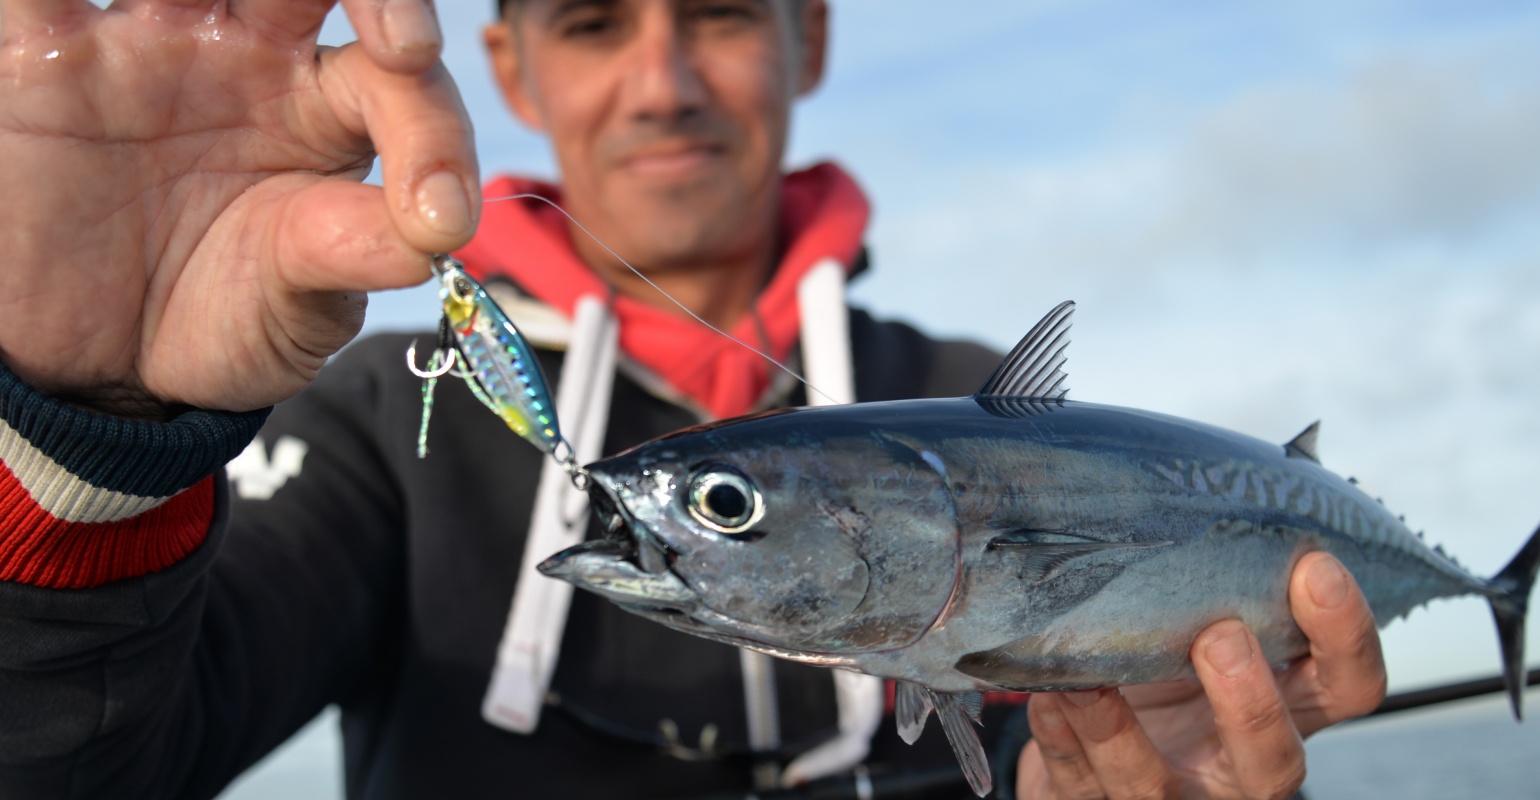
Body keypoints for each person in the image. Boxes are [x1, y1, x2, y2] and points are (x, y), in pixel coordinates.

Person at [0, 0, 1387, 797]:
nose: (661, 85)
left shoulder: (984, 410)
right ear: (510, 69)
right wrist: (94, 425)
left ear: (812, 36)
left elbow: (1056, 732)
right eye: (595, 19)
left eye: (719, 9)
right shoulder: (389, 417)